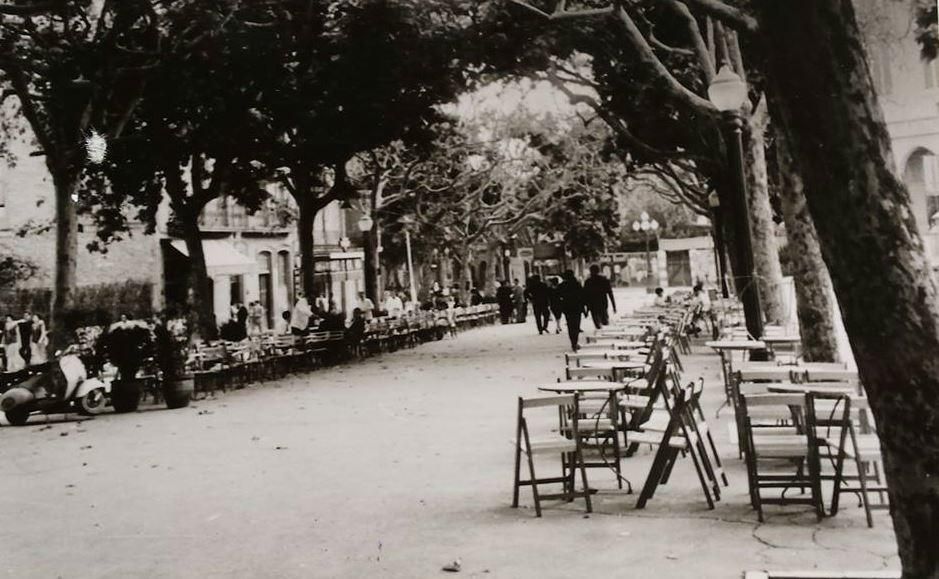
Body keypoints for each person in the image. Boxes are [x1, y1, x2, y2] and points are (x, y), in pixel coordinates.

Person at [558, 270, 589, 351]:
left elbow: (557, 296)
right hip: (577, 307)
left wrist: (561, 306)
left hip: (567, 308)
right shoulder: (577, 284)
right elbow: (583, 297)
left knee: (570, 325)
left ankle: (573, 342)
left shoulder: (562, 285)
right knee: (576, 325)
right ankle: (575, 342)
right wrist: (585, 309)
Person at [583, 264, 616, 329]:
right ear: (599, 271)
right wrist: (614, 306)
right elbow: (610, 294)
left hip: (593, 305)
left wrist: (586, 309)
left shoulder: (588, 282)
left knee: (597, 324)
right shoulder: (604, 280)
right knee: (605, 322)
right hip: (602, 304)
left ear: (590, 271)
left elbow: (585, 296)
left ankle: (600, 330)